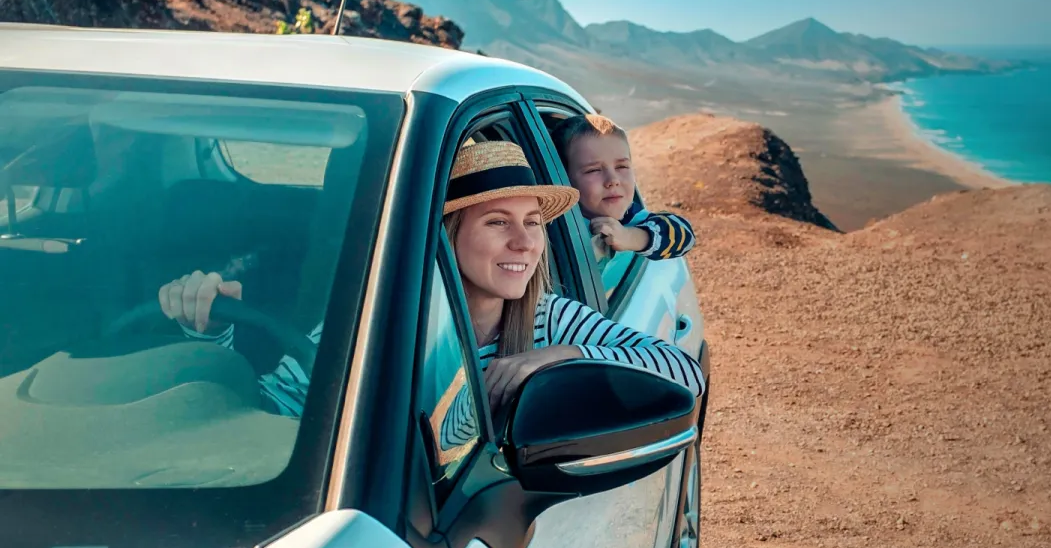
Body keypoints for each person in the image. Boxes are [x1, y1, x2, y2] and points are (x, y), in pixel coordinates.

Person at [158, 141, 703, 444]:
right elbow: (272, 412)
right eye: (497, 222)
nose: (524, 242)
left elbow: (686, 374)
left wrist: (562, 357)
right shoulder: (380, 322)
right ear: (449, 235)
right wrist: (210, 333)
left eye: (533, 222)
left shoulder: (549, 319)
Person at [552, 114, 696, 262]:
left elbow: (685, 235)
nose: (613, 180)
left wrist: (630, 237)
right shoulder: (552, 224)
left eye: (621, 166)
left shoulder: (627, 217)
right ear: (564, 179)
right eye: (593, 170)